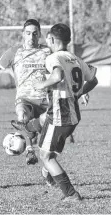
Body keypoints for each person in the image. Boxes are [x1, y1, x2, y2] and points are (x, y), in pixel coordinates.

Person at [14, 23, 98, 201]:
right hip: (72, 112)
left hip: (61, 111)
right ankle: (31, 130)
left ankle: (71, 194)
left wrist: (41, 84)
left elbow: (57, 75)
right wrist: (79, 93)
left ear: (51, 39)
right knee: (48, 145)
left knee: (45, 156)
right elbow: (93, 79)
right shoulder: (75, 58)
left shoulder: (53, 58)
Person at [0, 19, 51, 165]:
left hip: (46, 100)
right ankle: (30, 151)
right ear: (22, 34)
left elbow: (62, 71)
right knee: (22, 115)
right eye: (28, 33)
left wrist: (81, 91)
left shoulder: (47, 51)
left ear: (39, 34)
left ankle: (48, 172)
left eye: (34, 33)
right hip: (25, 99)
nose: (31, 37)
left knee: (49, 149)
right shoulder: (14, 52)